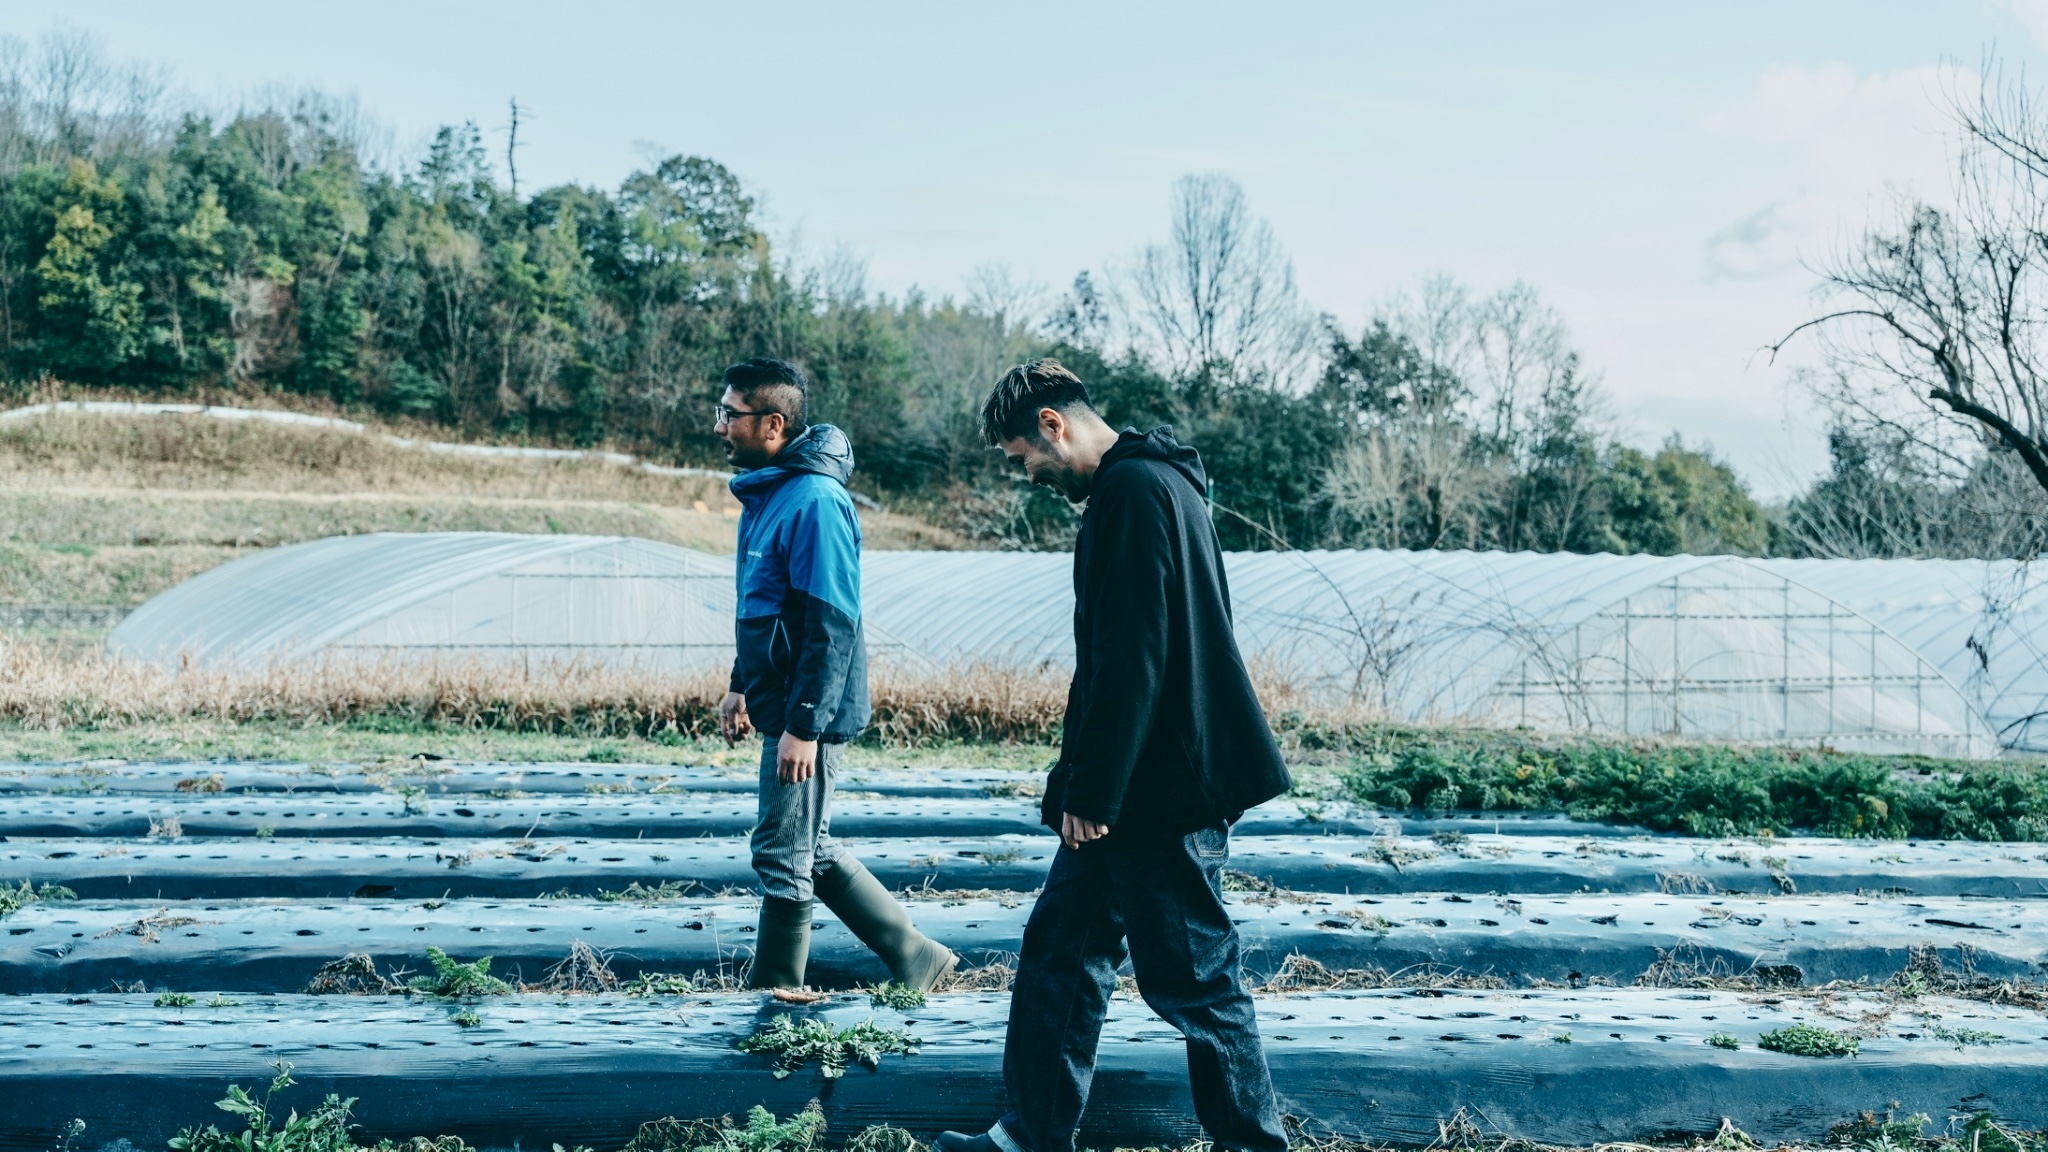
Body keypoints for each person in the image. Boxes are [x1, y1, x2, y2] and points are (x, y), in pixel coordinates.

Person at [934, 360, 1293, 1152]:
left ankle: (1253, 1145)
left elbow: (1133, 658)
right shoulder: (1162, 485)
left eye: (1019, 455)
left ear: (1053, 426)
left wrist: (1093, 793)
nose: (1023, 472)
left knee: (1197, 981)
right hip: (1137, 783)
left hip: (1158, 792)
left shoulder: (1132, 494)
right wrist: (1084, 786)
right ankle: (1028, 1135)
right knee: (1061, 954)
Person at [715, 356, 957, 993]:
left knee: (782, 851)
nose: (719, 426)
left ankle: (777, 999)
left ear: (772, 424)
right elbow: (763, 605)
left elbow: (831, 623)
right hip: (783, 700)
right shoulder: (771, 493)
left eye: (729, 414)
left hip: (806, 710)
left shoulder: (815, 500)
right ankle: (915, 956)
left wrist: (804, 726)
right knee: (807, 843)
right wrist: (742, 682)